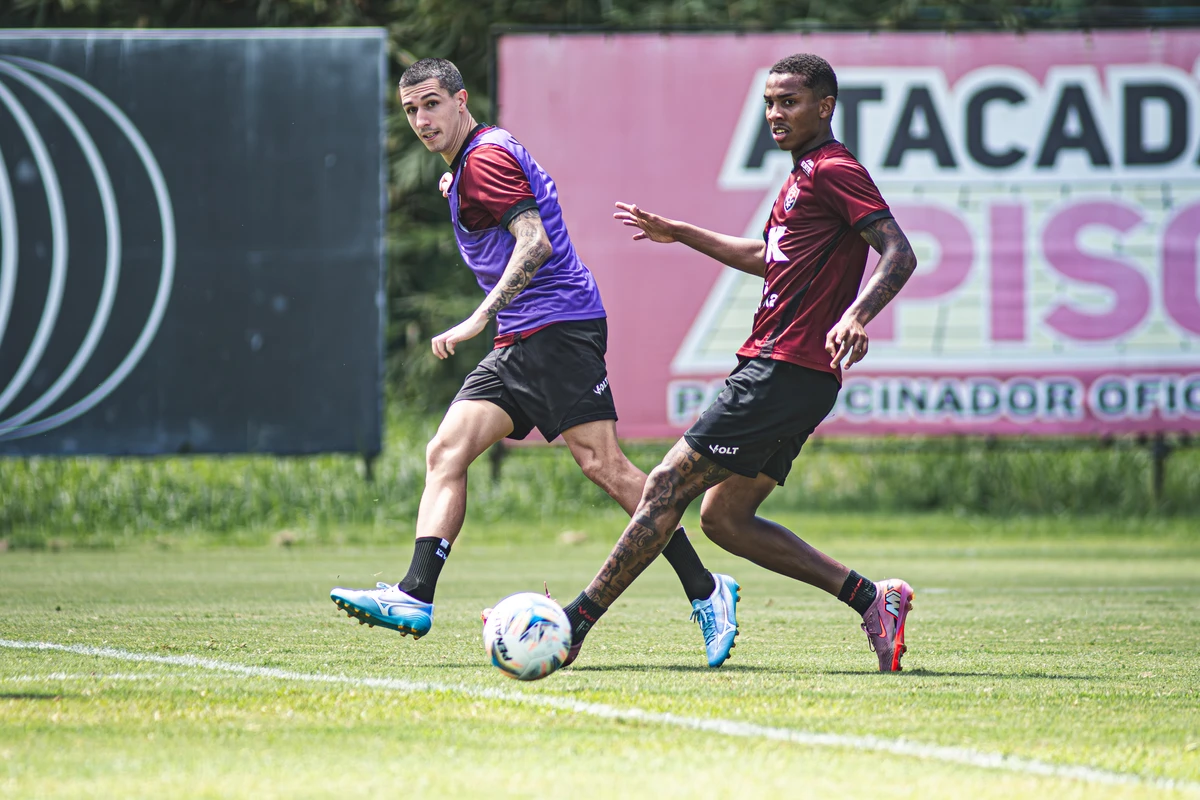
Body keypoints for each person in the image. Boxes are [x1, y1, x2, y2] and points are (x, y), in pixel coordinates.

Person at [330, 58, 739, 669]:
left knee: (604, 465)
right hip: (523, 334)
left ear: (460, 100)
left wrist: (476, 317)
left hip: (557, 328)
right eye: (412, 109)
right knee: (446, 450)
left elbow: (535, 241)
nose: (422, 119)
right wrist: (459, 189)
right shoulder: (475, 160)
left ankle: (708, 592)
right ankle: (415, 594)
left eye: (433, 104)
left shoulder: (484, 160)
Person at [556, 53, 920, 672]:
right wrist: (683, 233)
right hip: (796, 376)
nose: (776, 114)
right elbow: (766, 256)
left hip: (781, 369)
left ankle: (572, 623)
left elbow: (898, 251)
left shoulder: (833, 169)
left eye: (790, 102)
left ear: (825, 107)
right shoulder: (803, 175)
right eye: (770, 104)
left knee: (665, 485)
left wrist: (857, 314)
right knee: (724, 517)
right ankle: (871, 598)